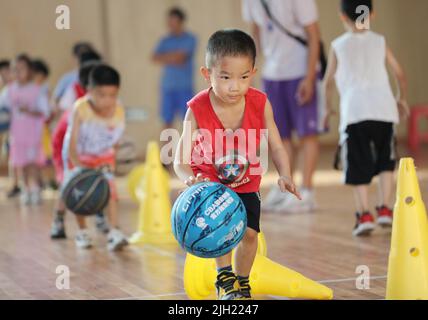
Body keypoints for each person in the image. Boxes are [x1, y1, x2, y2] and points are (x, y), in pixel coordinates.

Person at [174, 30, 300, 299]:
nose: (235, 86)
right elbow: (180, 159)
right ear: (207, 74)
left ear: (253, 71)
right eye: (225, 77)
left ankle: (242, 282)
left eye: (244, 77)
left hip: (246, 182)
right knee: (220, 232)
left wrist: (285, 174)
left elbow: (276, 144)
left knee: (250, 235)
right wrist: (190, 179)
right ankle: (224, 279)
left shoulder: (260, 103)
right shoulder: (195, 108)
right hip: (211, 184)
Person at [323, 0, 409, 236]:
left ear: (342, 16)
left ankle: (364, 214)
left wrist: (327, 108)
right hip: (384, 109)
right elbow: (399, 74)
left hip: (355, 112)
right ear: (372, 14)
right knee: (385, 161)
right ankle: (384, 209)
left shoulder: (338, 45)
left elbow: (328, 81)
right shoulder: (379, 41)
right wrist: (401, 99)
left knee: (358, 163)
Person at [242, 0, 323, 213]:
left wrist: (309, 76)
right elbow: (256, 32)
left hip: (300, 70)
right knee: (280, 134)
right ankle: (285, 187)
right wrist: (252, 71)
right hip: (272, 73)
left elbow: (314, 35)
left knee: (307, 133)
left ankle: (307, 192)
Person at [63, 64, 128, 250]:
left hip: (103, 157)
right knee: (78, 193)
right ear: (89, 91)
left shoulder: (119, 110)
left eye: (112, 95)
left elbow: (115, 139)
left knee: (111, 193)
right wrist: (79, 166)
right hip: (80, 157)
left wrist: (111, 159)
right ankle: (82, 231)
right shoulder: (80, 109)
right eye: (101, 95)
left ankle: (114, 231)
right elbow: (72, 142)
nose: (107, 100)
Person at [50, 61, 109, 239]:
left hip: (86, 152)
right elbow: (67, 143)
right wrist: (75, 165)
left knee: (95, 181)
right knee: (70, 185)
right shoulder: (78, 110)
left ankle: (98, 214)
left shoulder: (101, 106)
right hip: (65, 151)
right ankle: (58, 221)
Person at [0, 54, 50, 205]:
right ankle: (25, 188)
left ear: (29, 71)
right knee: (19, 163)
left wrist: (29, 111)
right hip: (17, 134)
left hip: (32, 134)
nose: (18, 73)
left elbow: (45, 111)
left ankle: (35, 188)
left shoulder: (36, 90)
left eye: (21, 69)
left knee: (32, 163)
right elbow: (3, 109)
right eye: (15, 70)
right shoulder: (9, 90)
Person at [152, 7, 197, 129]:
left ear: (181, 22)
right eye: (169, 21)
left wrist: (166, 57)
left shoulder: (190, 38)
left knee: (189, 121)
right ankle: (167, 149)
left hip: (184, 87)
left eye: (173, 21)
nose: (170, 24)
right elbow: (154, 57)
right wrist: (174, 56)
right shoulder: (165, 40)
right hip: (167, 87)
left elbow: (181, 58)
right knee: (166, 121)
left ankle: (189, 148)